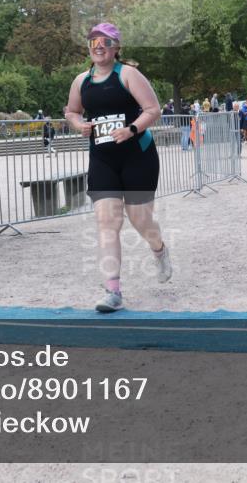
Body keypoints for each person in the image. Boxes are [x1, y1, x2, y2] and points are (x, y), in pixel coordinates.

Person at [65, 22, 171, 313]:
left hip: (138, 154)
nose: (99, 46)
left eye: (106, 42)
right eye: (94, 41)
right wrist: (78, 124)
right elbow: (72, 111)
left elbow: (153, 110)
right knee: (107, 222)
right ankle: (113, 292)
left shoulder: (128, 75)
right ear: (89, 47)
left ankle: (159, 249)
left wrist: (131, 130)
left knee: (140, 220)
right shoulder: (80, 81)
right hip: (102, 158)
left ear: (116, 47)